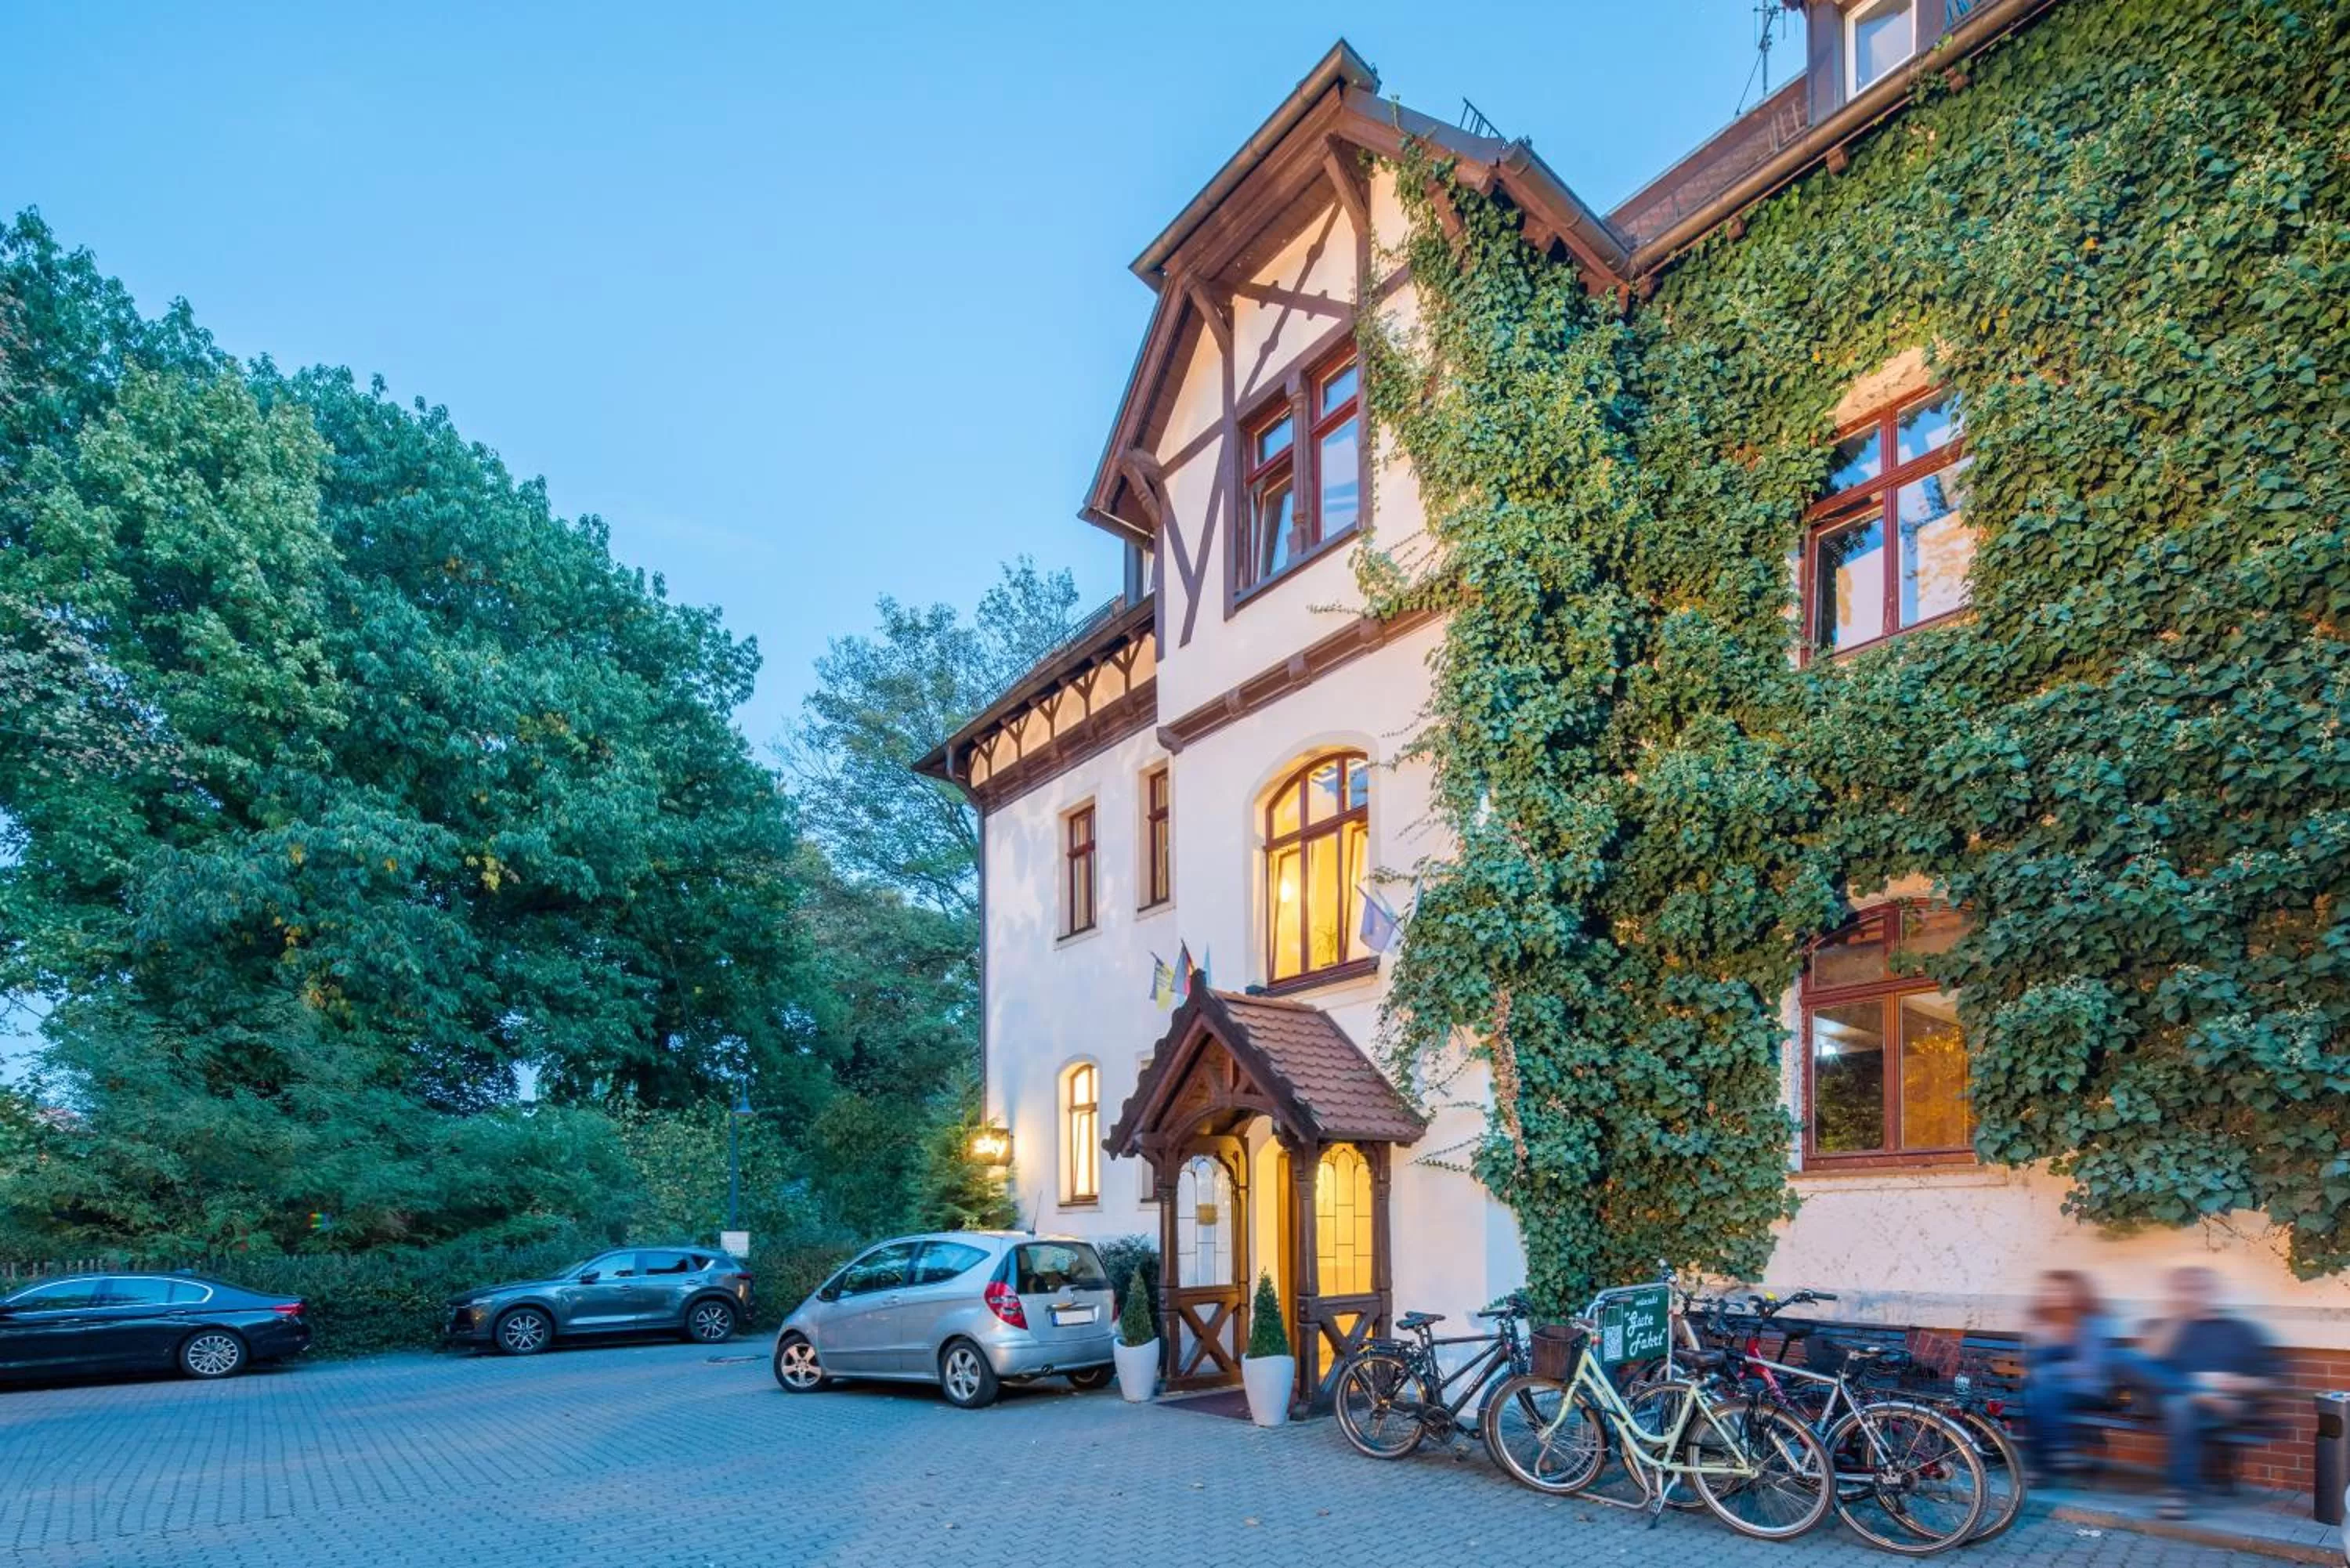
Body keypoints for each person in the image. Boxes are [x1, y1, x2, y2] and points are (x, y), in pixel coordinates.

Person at [2134, 1264, 2279, 1519]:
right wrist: (2178, 1318)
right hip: (2166, 1403)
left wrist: (2233, 1381)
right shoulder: (2162, 1326)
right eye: (2183, 1289)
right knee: (2133, 1364)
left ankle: (2179, 1494)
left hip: (2222, 1406)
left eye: (2198, 1288)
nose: (2191, 1294)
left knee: (2180, 1406)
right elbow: (2146, 1360)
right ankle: (2195, 1392)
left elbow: (2271, 1383)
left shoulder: (2239, 1331)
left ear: (2215, 1292)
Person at [2019, 1270, 2117, 1481]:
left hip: (2087, 1388)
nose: (2057, 1295)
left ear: (2077, 1292)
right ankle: (2058, 1454)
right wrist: (2042, 1335)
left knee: (2039, 1391)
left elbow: (2090, 1367)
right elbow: (2029, 1360)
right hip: (2050, 1392)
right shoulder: (2040, 1321)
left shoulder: (2092, 1321)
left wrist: (2048, 1372)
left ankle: (2042, 1465)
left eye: (2063, 1290)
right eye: (2052, 1290)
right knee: (2034, 1394)